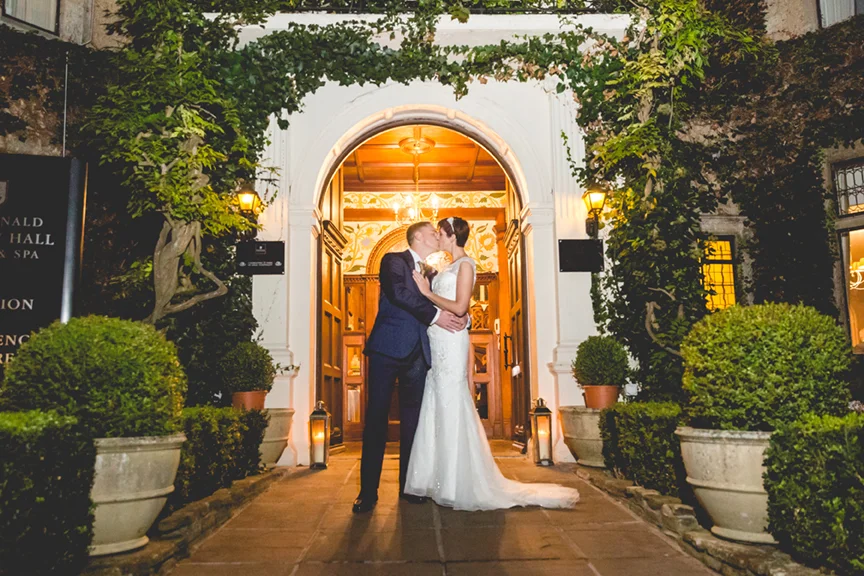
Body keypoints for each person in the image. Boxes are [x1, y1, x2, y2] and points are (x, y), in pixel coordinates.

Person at [404, 216, 580, 510]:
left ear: (451, 235)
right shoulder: (447, 267)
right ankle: (437, 478)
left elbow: (461, 306)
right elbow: (459, 310)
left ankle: (456, 482)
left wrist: (427, 293)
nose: (438, 237)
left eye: (440, 233)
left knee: (451, 401)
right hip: (438, 340)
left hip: (451, 342)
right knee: (437, 403)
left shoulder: (466, 265)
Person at [353, 221, 469, 514]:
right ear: (418, 236)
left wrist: (462, 317)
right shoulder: (393, 261)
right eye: (432, 232)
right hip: (387, 349)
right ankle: (368, 492)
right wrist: (436, 317)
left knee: (413, 423)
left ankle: (409, 487)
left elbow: (450, 302)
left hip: (419, 353)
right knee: (376, 420)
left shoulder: (433, 273)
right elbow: (399, 295)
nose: (437, 236)